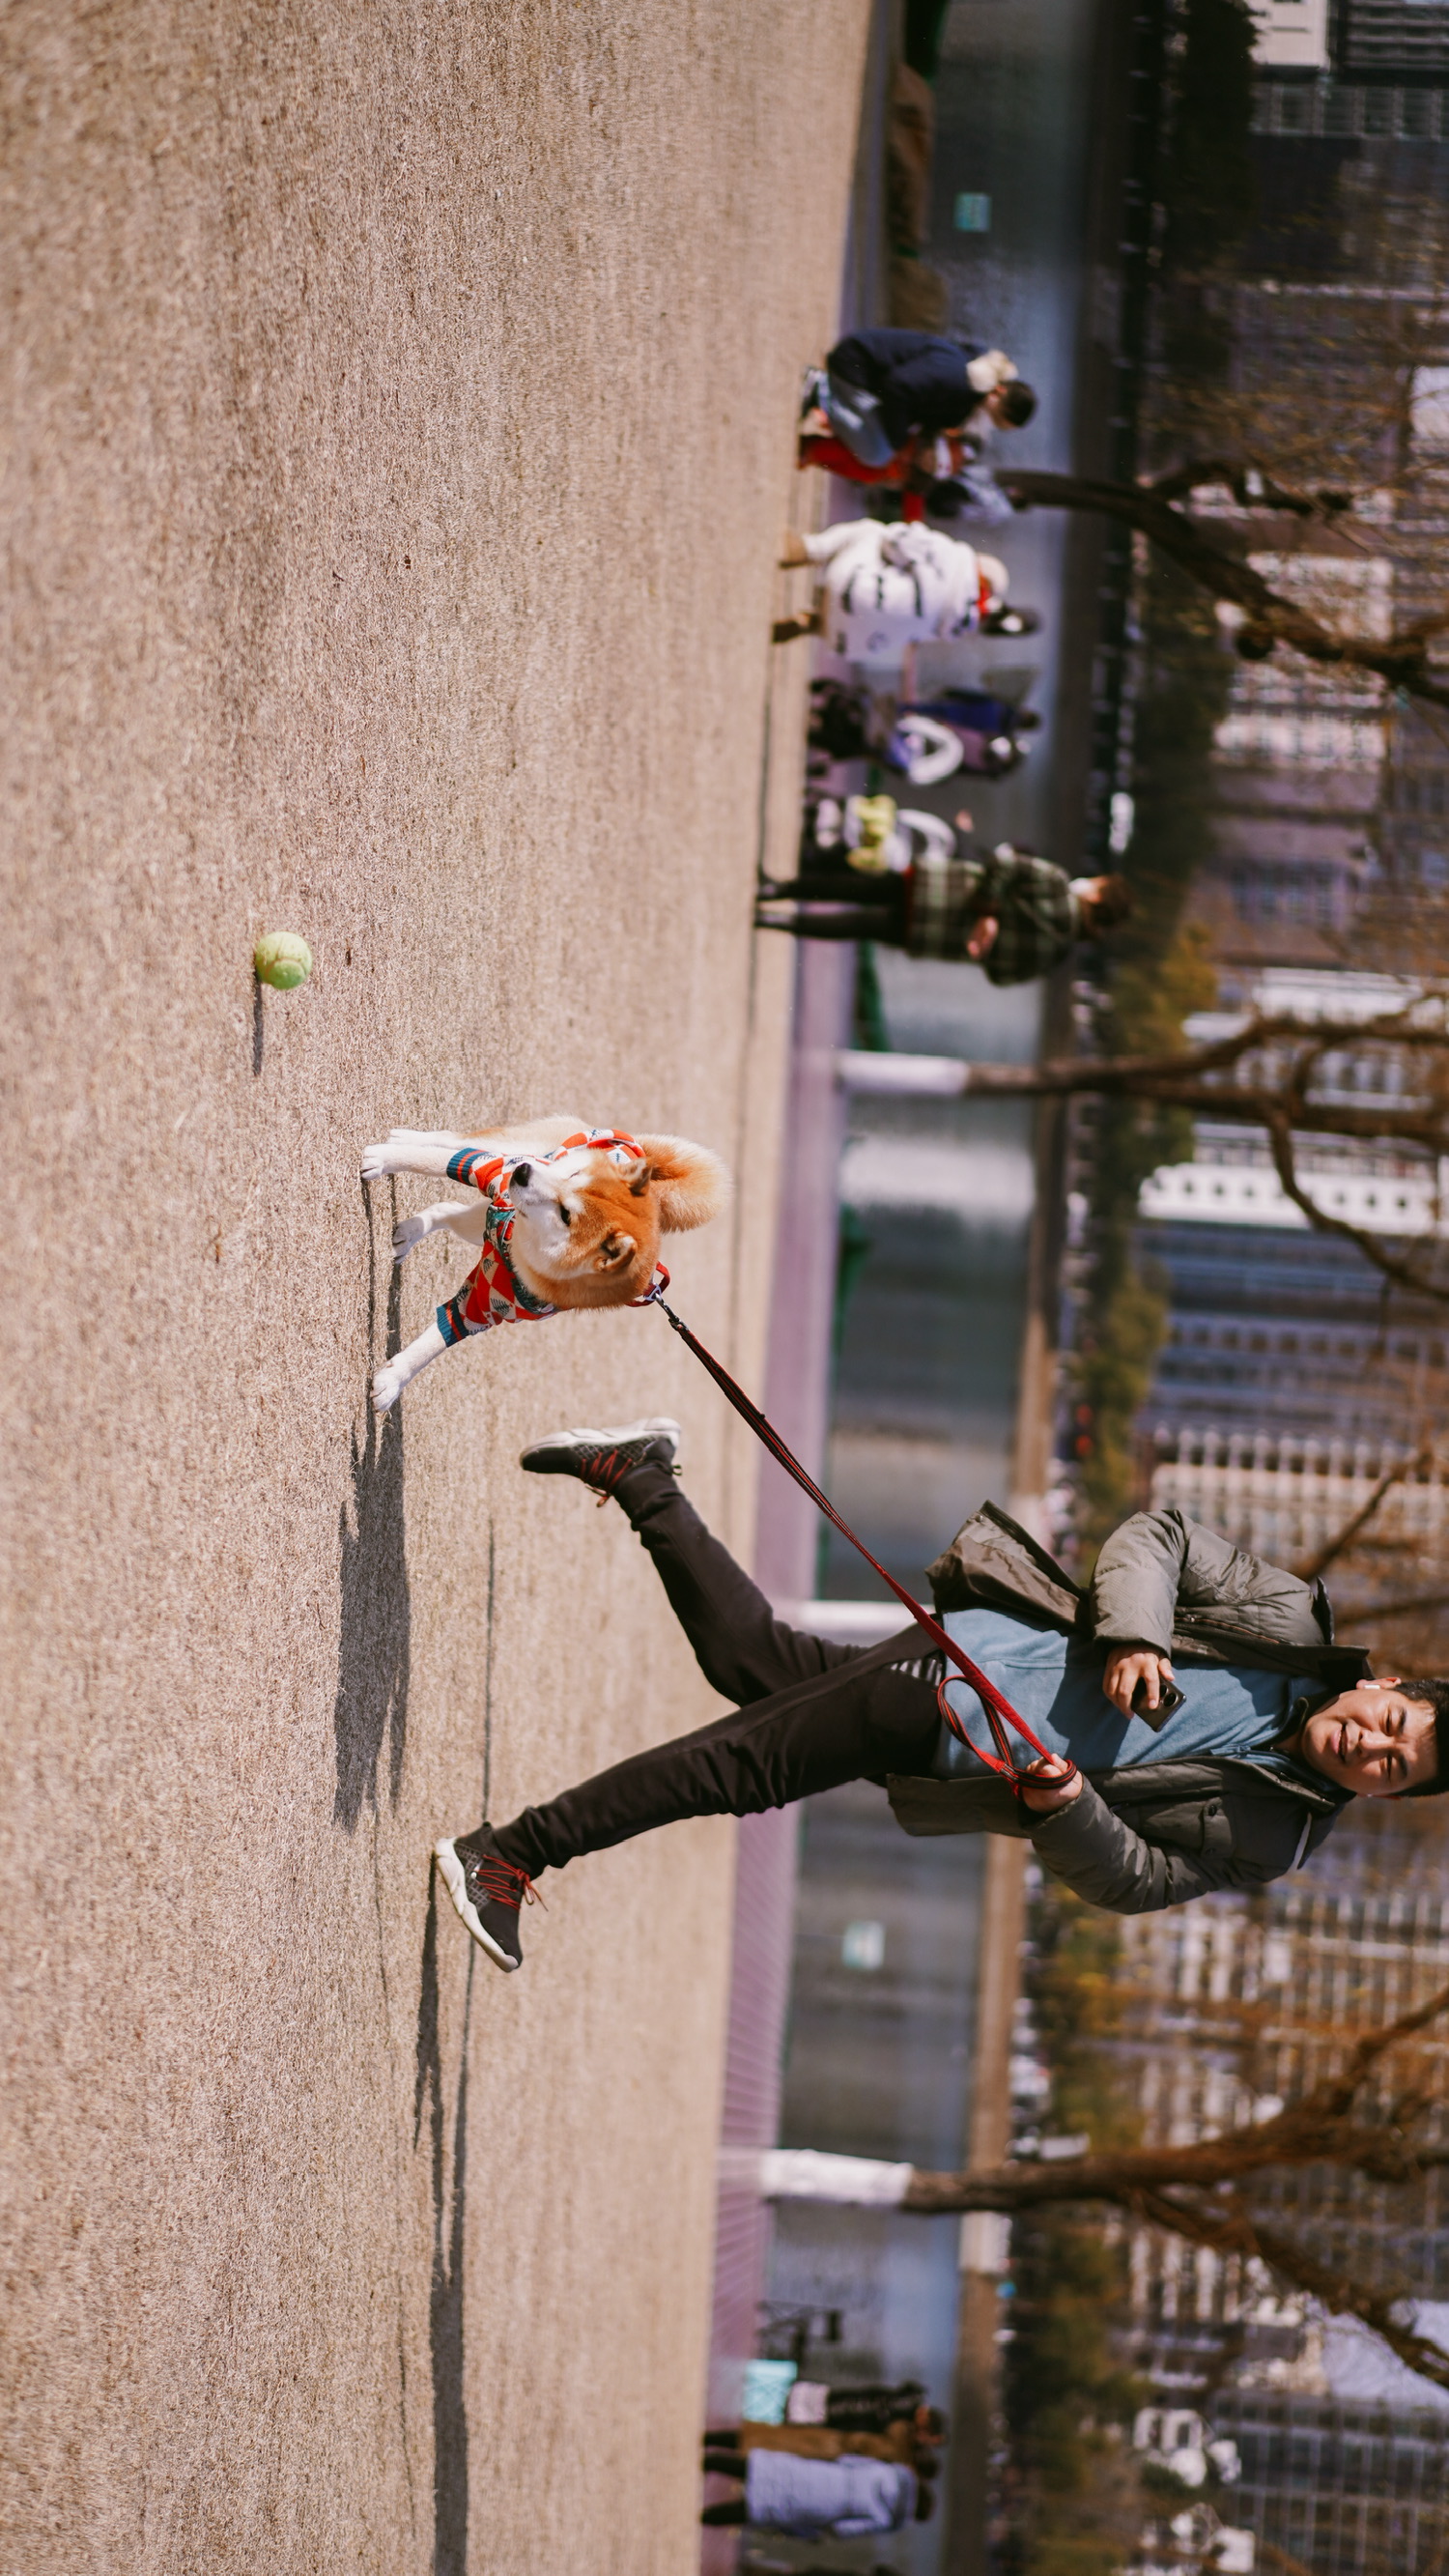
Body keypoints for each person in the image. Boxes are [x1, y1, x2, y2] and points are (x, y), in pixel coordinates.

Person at [432, 1426, 1449, 1973]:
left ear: (1388, 1794)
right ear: (1385, 1686)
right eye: (1393, 1725)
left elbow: (1136, 1880)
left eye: (1393, 1768)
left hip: (965, 1765)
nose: (1373, 1746)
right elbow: (1161, 1536)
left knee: (755, 1663)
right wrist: (1137, 1632)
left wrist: (1071, 1807)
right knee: (745, 1767)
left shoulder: (1275, 1839)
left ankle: (642, 1476)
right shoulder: (1288, 1620)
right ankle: (514, 1852)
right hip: (960, 1675)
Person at [754, 844, 1132, 987]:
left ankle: (778, 890)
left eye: (1096, 882)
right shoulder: (1056, 956)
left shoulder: (1058, 883)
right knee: (859, 926)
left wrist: (988, 907)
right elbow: (999, 975)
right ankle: (777, 923)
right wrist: (990, 937)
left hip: (939, 888)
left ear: (1097, 893)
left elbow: (1004, 862)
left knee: (860, 888)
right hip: (937, 936)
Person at [771, 521, 1032, 661]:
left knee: (873, 531)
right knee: (891, 620)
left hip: (849, 588)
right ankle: (812, 624)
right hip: (845, 641)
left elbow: (894, 541)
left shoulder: (954, 558)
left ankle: (806, 549)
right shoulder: (955, 627)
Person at [807, 329, 1037, 468]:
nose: (991, 423)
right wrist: (898, 440)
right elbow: (898, 386)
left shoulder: (970, 394)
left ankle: (825, 397)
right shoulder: (957, 374)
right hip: (855, 366)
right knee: (878, 453)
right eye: (997, 419)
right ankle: (821, 390)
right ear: (998, 391)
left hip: (871, 381)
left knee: (882, 447)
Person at [699, 2445, 926, 2535]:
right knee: (761, 2507)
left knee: (765, 2469)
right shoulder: (884, 2519)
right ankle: (706, 2516)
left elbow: (847, 2459)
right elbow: (842, 2529)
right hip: (822, 2506)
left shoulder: (887, 2471)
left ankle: (711, 2461)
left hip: (825, 2474)